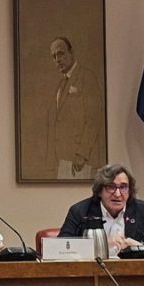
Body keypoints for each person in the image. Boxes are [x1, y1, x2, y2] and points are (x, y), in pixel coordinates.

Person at [58, 163, 144, 254]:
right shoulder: (80, 211)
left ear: (130, 190)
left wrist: (140, 246)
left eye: (123, 187)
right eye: (111, 187)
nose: (117, 194)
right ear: (99, 190)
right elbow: (61, 247)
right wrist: (101, 244)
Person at [46, 37, 103, 180]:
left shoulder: (86, 77)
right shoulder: (60, 84)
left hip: (81, 160)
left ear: (71, 53)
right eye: (54, 56)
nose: (57, 59)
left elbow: (93, 118)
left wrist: (82, 153)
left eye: (61, 53)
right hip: (62, 159)